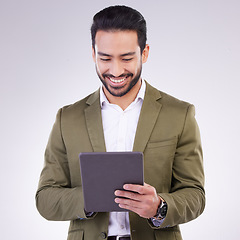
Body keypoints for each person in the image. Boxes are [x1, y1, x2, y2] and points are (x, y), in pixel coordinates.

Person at [36, 5, 205, 240]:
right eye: (105, 58)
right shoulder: (68, 118)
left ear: (144, 53)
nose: (116, 70)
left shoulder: (179, 114)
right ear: (93, 54)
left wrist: (159, 206)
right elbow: (45, 198)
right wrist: (90, 198)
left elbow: (195, 194)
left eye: (126, 58)